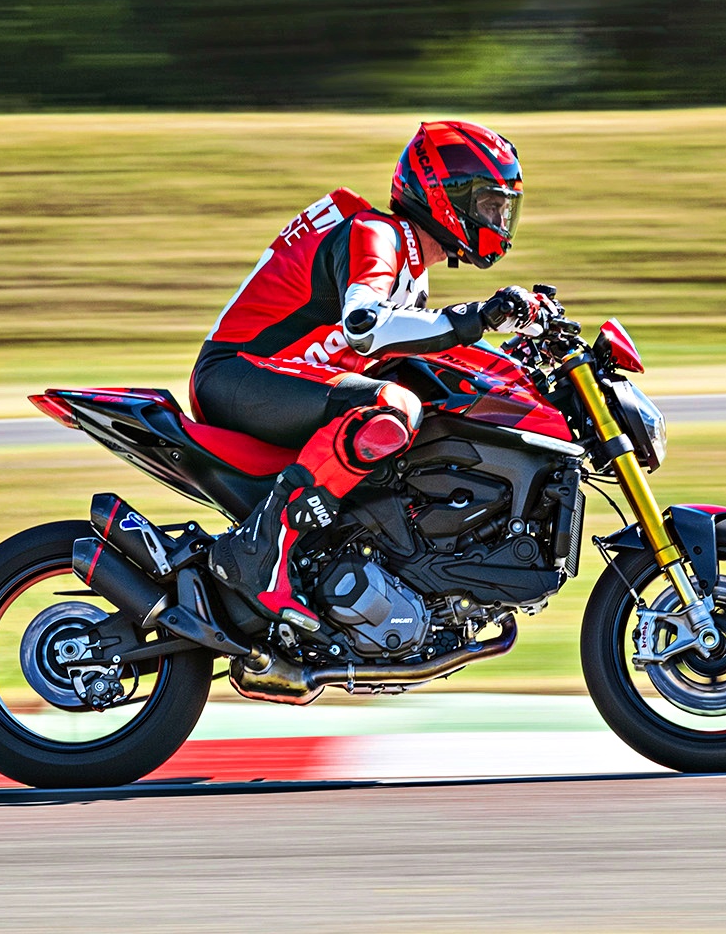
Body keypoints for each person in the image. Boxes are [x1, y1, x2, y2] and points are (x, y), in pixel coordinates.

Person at [195, 120, 547, 630]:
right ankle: (259, 554)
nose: (499, 220)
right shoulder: (377, 234)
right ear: (446, 197)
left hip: (280, 382)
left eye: (504, 208)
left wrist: (516, 360)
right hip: (240, 375)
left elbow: (423, 346)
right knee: (392, 407)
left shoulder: (412, 268)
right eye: (489, 205)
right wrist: (478, 316)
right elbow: (364, 326)